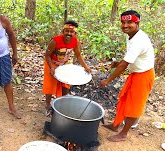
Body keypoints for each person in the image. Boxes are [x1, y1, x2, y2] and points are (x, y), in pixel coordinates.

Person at [100, 10, 155, 142]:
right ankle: (115, 125)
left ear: (137, 22)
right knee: (124, 100)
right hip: (135, 73)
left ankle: (123, 134)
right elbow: (130, 60)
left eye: (129, 22)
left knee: (134, 105)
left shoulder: (139, 41)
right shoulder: (131, 35)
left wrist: (108, 80)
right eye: (123, 22)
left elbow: (124, 65)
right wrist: (118, 63)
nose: (125, 25)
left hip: (143, 76)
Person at [42, 20, 91, 115]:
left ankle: (62, 103)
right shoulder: (55, 41)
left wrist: (86, 67)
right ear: (63, 31)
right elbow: (47, 54)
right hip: (52, 63)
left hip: (64, 63)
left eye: (71, 32)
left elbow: (78, 55)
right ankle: (47, 105)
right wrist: (51, 67)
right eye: (67, 31)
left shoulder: (75, 42)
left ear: (75, 33)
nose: (69, 33)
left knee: (65, 83)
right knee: (50, 85)